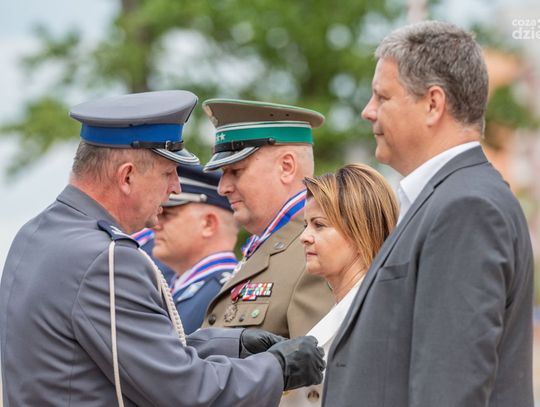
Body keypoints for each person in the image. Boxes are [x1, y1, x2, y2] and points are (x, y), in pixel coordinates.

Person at [0, 90, 325, 406]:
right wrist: (277, 368)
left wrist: (232, 344)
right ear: (127, 177)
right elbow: (185, 391)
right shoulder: (107, 260)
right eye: (168, 172)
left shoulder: (37, 234)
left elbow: (132, 348)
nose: (175, 186)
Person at [323, 21, 534, 407]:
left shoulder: (466, 208)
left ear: (433, 104)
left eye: (382, 97)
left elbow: (450, 390)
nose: (368, 111)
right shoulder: (445, 199)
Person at [201, 99, 334, 338]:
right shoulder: (272, 245)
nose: (222, 187)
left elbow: (315, 360)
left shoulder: (319, 251)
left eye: (236, 171)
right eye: (223, 173)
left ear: (286, 167)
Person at [280, 163, 398, 406]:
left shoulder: (377, 317)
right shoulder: (355, 308)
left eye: (319, 225)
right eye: (305, 225)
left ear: (360, 231)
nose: (304, 237)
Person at [152, 163, 239, 334]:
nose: (155, 225)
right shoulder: (189, 288)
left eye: (167, 215)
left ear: (208, 224)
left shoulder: (224, 292)